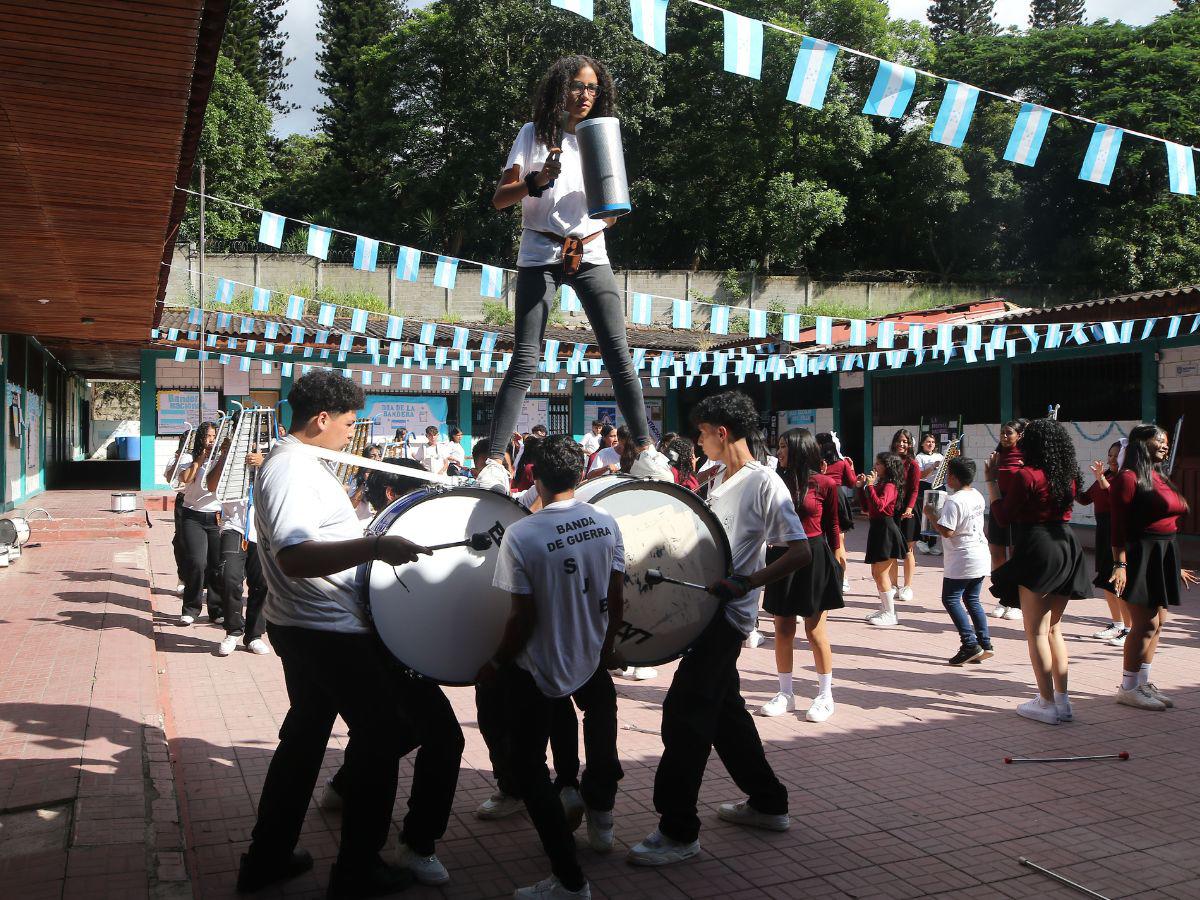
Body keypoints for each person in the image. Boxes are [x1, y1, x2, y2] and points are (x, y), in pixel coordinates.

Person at [236, 371, 452, 896]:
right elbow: (294, 557)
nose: (351, 432)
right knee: (384, 734)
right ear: (321, 418)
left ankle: (267, 857)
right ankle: (357, 869)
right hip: (325, 630)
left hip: (308, 625)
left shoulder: (299, 463)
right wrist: (375, 548)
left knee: (305, 738)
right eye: (350, 422)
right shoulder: (292, 470)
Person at [629, 392, 810, 867]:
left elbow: (800, 551)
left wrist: (747, 582)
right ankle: (769, 803)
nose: (699, 440)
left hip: (727, 619)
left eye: (703, 432)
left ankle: (678, 831)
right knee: (726, 715)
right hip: (705, 613)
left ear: (722, 432)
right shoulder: (718, 479)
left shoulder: (764, 482)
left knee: (684, 716)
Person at [479, 54, 672, 493]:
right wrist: (537, 180)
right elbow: (500, 199)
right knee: (525, 357)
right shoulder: (533, 134)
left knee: (618, 353)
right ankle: (494, 463)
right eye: (577, 86)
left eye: (592, 88)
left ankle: (645, 451)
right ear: (559, 88)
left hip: (590, 252)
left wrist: (601, 217)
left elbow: (614, 210)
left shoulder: (602, 136)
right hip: (539, 251)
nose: (585, 95)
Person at [480, 435, 625, 899]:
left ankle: (568, 878)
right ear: (580, 475)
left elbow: (521, 618)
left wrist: (496, 660)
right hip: (591, 653)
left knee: (528, 768)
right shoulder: (605, 522)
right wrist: (607, 647)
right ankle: (598, 812)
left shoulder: (523, 534)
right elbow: (617, 596)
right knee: (600, 722)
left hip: (537, 667)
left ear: (534, 477)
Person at [987, 417, 1090, 726]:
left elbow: (1003, 516)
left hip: (1038, 546)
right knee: (1054, 629)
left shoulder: (1027, 475)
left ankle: (1046, 703)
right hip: (1066, 544)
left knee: (1036, 632)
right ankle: (1062, 701)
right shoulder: (1067, 476)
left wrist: (991, 481)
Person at [1109, 425, 1197, 711]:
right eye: (1159, 440)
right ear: (1140, 443)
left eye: (1167, 442)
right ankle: (1128, 687)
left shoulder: (1159, 475)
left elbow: (1168, 523)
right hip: (1140, 554)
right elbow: (1117, 528)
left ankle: (1142, 683)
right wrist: (1120, 564)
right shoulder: (1127, 478)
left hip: (1164, 554)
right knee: (1145, 624)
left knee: (1158, 623)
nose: (1165, 445)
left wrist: (1175, 566)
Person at [758, 429, 844, 722]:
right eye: (779, 446)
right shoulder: (774, 481)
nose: (779, 451)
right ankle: (786, 693)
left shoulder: (824, 483)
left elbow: (833, 524)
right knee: (782, 629)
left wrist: (838, 555)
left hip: (813, 557)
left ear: (798, 448)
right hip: (781, 556)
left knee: (814, 631)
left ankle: (825, 695)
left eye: (784, 446)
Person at [204, 434, 271, 657]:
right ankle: (233, 630)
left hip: (261, 530)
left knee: (261, 584)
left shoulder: (271, 454)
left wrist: (264, 462)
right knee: (229, 578)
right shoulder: (227, 457)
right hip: (234, 527)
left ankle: (254, 635)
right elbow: (211, 485)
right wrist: (225, 455)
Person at [923, 457, 993, 666]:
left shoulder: (954, 501)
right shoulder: (977, 494)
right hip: (979, 553)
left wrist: (932, 514)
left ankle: (970, 643)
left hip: (963, 557)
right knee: (972, 599)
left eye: (948, 474)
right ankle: (984, 643)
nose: (946, 478)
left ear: (953, 477)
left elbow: (947, 531)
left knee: (951, 599)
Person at [1077, 442, 1132, 646]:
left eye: (1116, 455)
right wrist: (1070, 481)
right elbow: (1085, 499)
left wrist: (1101, 478)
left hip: (1119, 533)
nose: (1111, 459)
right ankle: (1117, 624)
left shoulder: (1127, 478)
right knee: (1107, 581)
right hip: (1103, 532)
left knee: (1120, 583)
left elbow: (1116, 500)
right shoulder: (1106, 475)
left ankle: (1129, 630)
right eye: (1110, 455)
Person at [176, 421, 223, 626]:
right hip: (192, 515)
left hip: (216, 516)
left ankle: (216, 609)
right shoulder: (189, 458)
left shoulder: (221, 458)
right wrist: (199, 459)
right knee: (196, 562)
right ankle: (191, 608)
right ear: (200, 438)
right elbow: (185, 479)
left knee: (216, 565)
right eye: (207, 436)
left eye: (214, 436)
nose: (211, 440)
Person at [859, 452, 908, 627]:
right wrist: (862, 487)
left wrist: (870, 487)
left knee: (881, 573)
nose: (875, 466)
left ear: (888, 467)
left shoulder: (890, 486)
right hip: (876, 529)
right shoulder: (880, 484)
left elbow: (880, 506)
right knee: (875, 573)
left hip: (886, 530)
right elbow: (866, 508)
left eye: (879, 464)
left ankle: (890, 613)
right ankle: (885, 608)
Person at [987, 420, 1026, 620]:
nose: (1004, 436)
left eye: (1008, 433)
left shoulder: (1026, 456)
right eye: (1002, 432)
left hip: (1018, 507)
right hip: (998, 505)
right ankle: (1003, 597)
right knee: (997, 553)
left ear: (1019, 435)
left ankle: (1017, 601)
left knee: (1016, 554)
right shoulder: (997, 456)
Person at [889, 429, 921, 603]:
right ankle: (893, 585)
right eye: (899, 441)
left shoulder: (913, 464)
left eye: (905, 441)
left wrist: (908, 509)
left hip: (908, 511)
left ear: (909, 444)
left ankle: (907, 586)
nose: (901, 444)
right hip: (891, 510)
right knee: (892, 550)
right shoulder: (889, 461)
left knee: (908, 550)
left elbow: (915, 489)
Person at [164, 431, 193, 594]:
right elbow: (169, 478)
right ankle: (183, 576)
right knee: (181, 540)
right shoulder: (178, 457)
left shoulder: (208, 456)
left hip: (202, 503)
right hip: (183, 500)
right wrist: (177, 460)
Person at [914, 432, 945, 556]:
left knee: (937, 515)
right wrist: (933, 466)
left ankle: (932, 544)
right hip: (925, 487)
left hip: (939, 487)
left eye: (932, 442)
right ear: (922, 444)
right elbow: (920, 475)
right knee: (925, 515)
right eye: (928, 442)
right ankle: (922, 540)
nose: (930, 444)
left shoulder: (940, 456)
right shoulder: (919, 457)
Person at [347, 444, 382, 522]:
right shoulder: (358, 480)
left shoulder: (383, 479)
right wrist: (365, 484)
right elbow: (351, 505)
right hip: (361, 522)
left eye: (379, 456)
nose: (377, 459)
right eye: (373, 456)